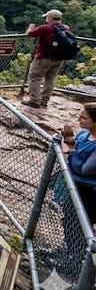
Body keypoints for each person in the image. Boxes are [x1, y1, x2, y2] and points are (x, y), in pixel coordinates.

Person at [48, 103, 96, 274]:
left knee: (80, 224)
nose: (78, 120)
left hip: (88, 193)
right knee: (69, 219)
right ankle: (70, 251)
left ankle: (77, 262)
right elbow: (76, 149)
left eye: (83, 118)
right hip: (73, 186)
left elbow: (83, 169)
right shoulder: (84, 134)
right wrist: (70, 142)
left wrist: (70, 149)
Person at [22, 9, 70, 108]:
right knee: (50, 79)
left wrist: (30, 28)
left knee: (34, 77)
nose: (46, 19)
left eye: (47, 17)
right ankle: (44, 101)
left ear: (51, 18)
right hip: (59, 58)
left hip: (43, 57)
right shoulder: (66, 28)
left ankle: (34, 100)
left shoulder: (46, 28)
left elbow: (29, 34)